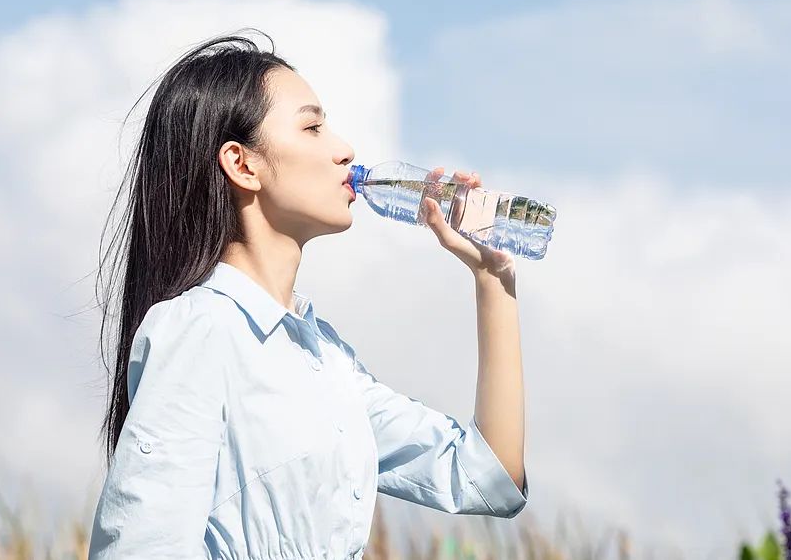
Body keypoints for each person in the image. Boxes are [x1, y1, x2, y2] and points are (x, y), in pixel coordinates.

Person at [88, 30, 528, 559]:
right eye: (312, 127)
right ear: (242, 164)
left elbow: (487, 477)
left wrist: (492, 278)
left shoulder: (326, 359)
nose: (345, 150)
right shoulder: (201, 329)